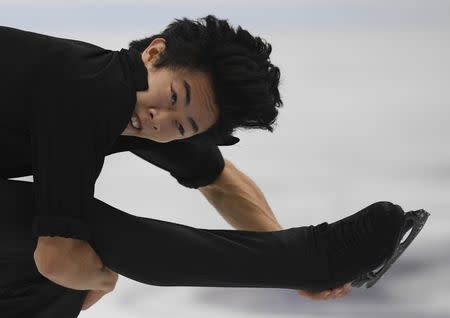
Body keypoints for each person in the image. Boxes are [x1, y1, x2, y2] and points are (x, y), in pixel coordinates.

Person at [0, 15, 427, 317]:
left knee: (55, 261)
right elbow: (58, 257)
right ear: (154, 53)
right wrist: (105, 276)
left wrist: (289, 263)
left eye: (183, 125)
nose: (159, 120)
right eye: (173, 98)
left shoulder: (143, 110)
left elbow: (222, 182)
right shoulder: (90, 88)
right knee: (74, 235)